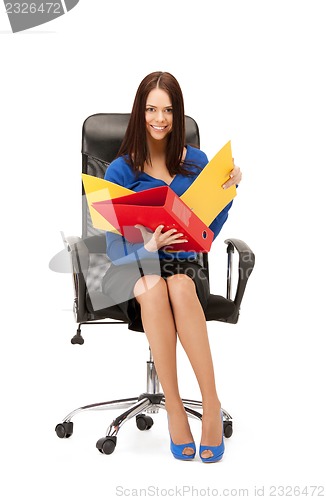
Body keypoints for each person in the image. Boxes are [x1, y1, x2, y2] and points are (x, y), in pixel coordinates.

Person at [102, 71, 242, 462]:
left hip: (186, 268)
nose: (159, 118)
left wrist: (226, 193)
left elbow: (208, 231)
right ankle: (176, 410)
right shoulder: (120, 171)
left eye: (167, 109)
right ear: (139, 112)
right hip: (135, 270)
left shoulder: (197, 162)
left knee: (178, 286)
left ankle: (210, 406)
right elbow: (114, 252)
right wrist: (147, 246)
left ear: (178, 113)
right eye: (150, 109)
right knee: (154, 287)